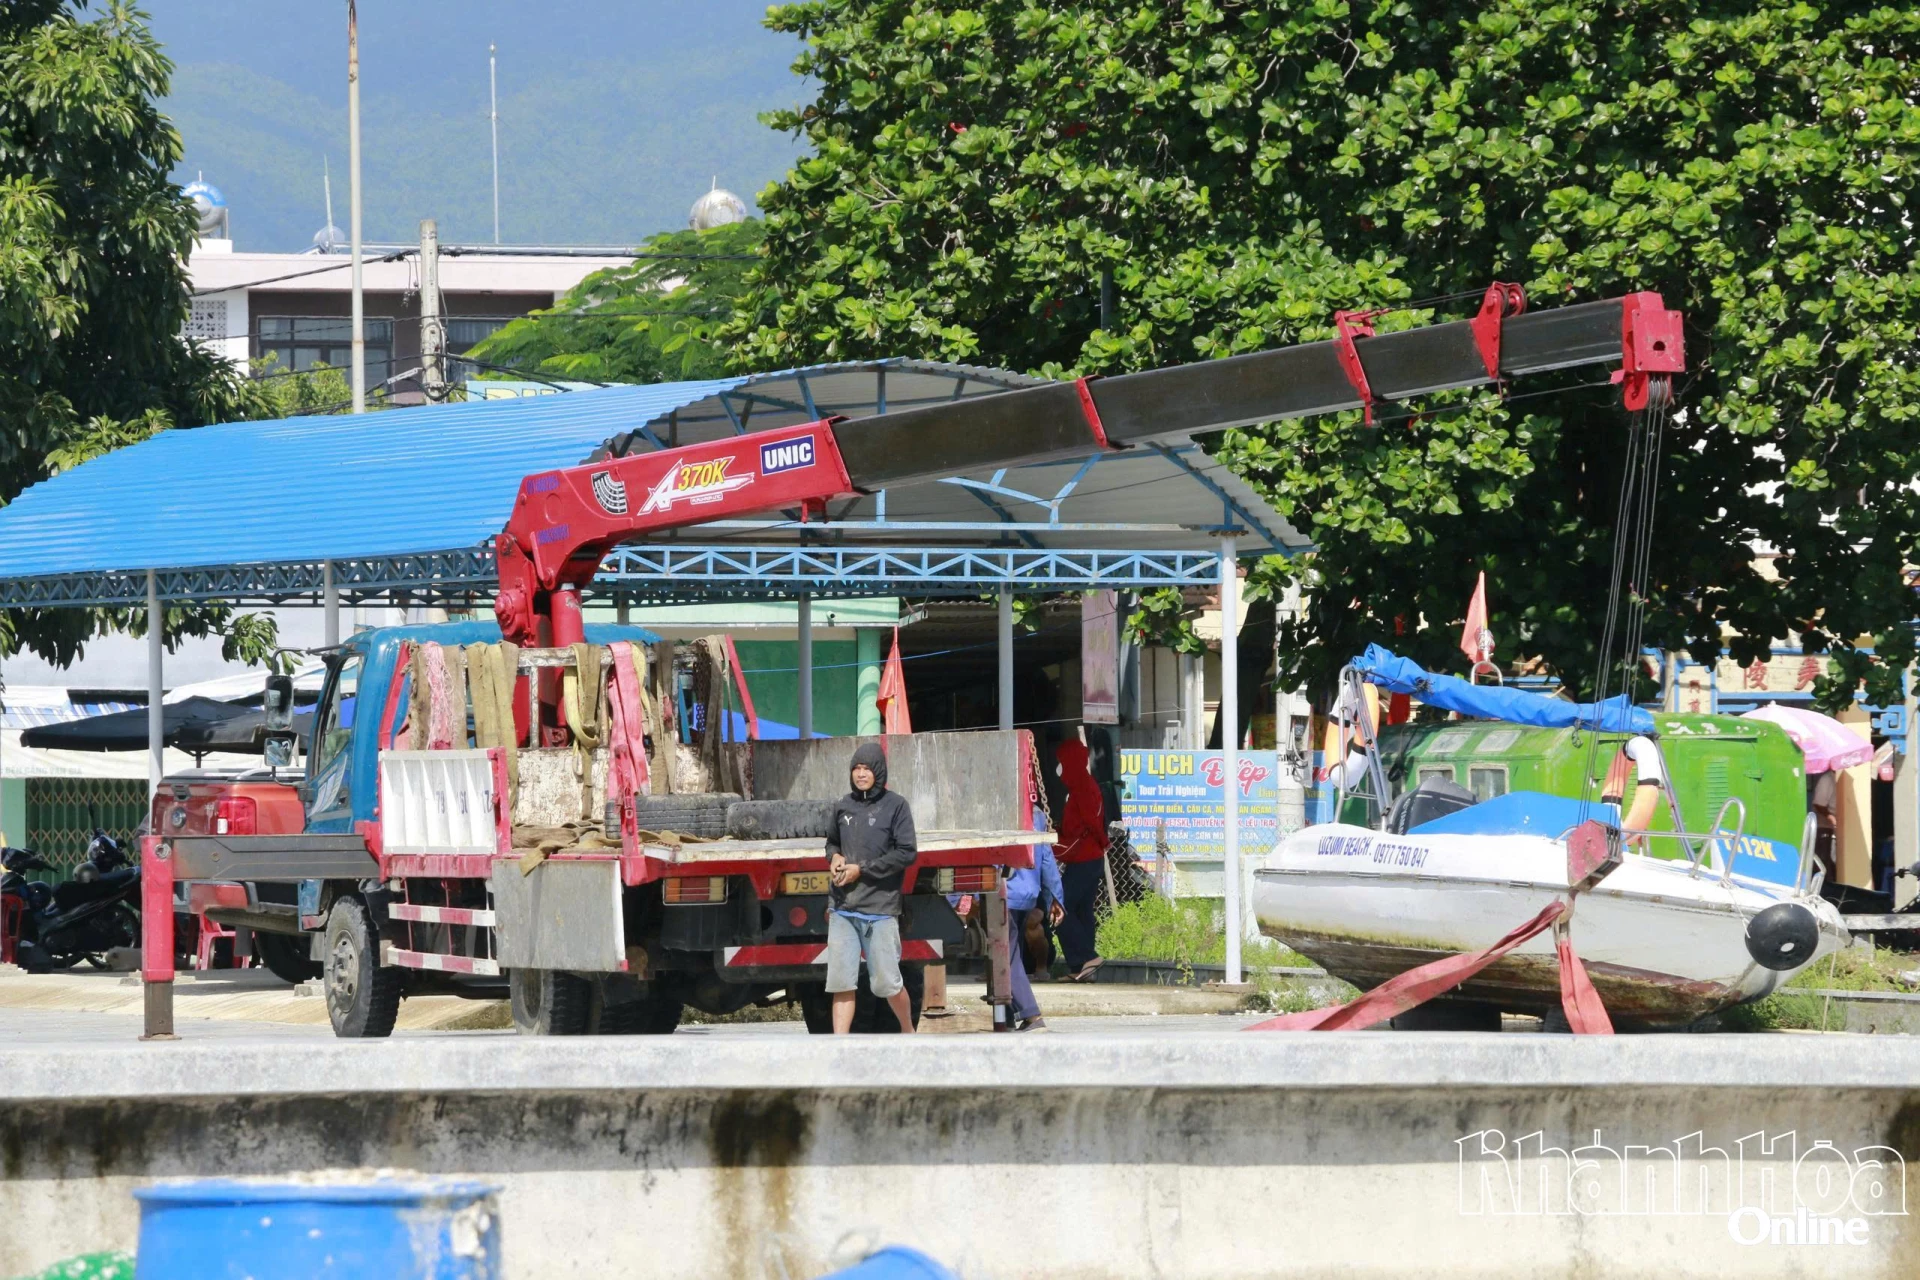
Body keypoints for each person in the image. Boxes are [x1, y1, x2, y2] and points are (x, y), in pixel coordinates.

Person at [826, 742, 919, 1034]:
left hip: (880, 909)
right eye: (856, 768)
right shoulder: (843, 805)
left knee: (886, 983)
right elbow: (831, 842)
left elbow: (907, 852)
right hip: (843, 908)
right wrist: (835, 857)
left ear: (878, 771)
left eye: (866, 768)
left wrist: (862, 870)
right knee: (841, 982)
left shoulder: (896, 806)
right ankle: (839, 1047)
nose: (861, 774)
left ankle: (908, 1031)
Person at [1052, 738, 1108, 981]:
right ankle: (1081, 969)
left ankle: (1086, 957)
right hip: (1088, 857)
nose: (1059, 768)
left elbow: (1091, 822)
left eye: (1061, 762)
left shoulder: (1084, 787)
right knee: (1082, 911)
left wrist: (1103, 840)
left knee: (1061, 908)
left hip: (1085, 857)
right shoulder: (1079, 786)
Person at [1004, 831, 1065, 1031]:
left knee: (1005, 955)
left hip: (1004, 891)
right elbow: (1046, 858)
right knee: (1012, 953)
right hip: (1028, 892)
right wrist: (1056, 897)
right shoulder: (1035, 814)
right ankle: (1007, 1014)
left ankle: (1031, 1014)